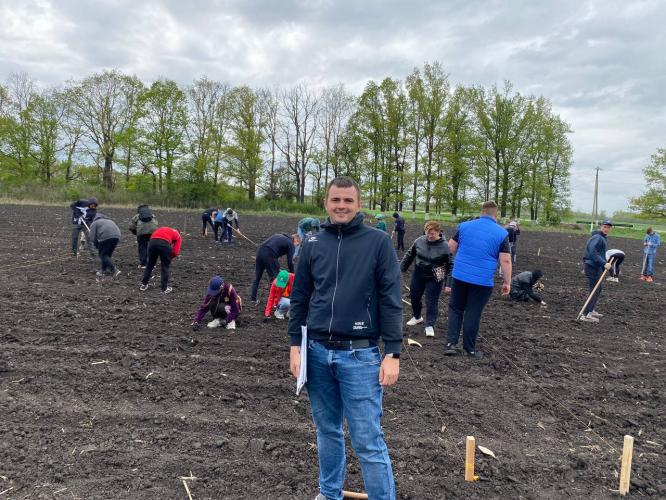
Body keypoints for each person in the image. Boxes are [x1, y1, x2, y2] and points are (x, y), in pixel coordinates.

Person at [288, 176, 402, 500]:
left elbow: (391, 298)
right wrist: (295, 346)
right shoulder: (312, 243)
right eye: (335, 200)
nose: (341, 206)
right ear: (326, 202)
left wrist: (393, 352)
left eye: (348, 201)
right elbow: (300, 297)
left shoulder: (377, 242)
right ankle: (329, 492)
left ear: (359, 204)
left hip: (360, 355)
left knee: (367, 439)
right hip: (318, 353)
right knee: (327, 431)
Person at [445, 201, 511, 359]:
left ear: (482, 212)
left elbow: (450, 248)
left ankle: (451, 344)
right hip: (482, 281)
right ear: (496, 215)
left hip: (460, 276)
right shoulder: (502, 234)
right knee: (473, 313)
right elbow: (506, 260)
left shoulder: (464, 226)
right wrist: (507, 282)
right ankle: (469, 349)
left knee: (456, 309)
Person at [400, 221, 452, 337]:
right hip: (419, 273)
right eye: (427, 233)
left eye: (432, 234)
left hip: (436, 275)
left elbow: (450, 265)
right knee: (414, 296)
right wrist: (400, 269)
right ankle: (417, 316)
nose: (429, 236)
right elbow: (410, 255)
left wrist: (448, 284)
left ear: (438, 232)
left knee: (431, 300)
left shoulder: (445, 246)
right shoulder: (419, 240)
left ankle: (429, 325)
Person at [579, 220, 613, 322]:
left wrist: (603, 266)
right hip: (592, 266)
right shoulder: (598, 238)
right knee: (594, 290)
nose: (606, 229)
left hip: (596, 267)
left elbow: (599, 254)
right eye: (605, 227)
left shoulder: (601, 238)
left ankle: (591, 310)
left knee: (598, 289)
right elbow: (593, 252)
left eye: (608, 227)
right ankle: (585, 315)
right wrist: (604, 263)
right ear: (601, 227)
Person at [249, 233, 297, 304]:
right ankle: (275, 302)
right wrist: (292, 274)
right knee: (276, 279)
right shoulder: (291, 244)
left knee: (257, 278)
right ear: (296, 240)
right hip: (269, 254)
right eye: (297, 244)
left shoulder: (281, 235)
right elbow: (290, 262)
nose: (296, 246)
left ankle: (253, 299)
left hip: (260, 251)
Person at [140, 226, 182, 294]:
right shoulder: (178, 235)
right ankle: (164, 289)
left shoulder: (163, 228)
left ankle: (144, 285)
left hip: (152, 243)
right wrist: (168, 258)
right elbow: (175, 252)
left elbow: (153, 236)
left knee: (150, 265)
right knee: (165, 267)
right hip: (164, 244)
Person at [88, 213, 121, 277]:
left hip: (106, 237)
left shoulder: (95, 223)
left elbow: (92, 237)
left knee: (102, 255)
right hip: (117, 236)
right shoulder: (109, 221)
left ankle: (115, 270)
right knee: (107, 255)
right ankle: (103, 270)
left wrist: (96, 245)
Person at [129, 204, 158, 268]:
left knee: (142, 248)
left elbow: (131, 226)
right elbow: (156, 223)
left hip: (142, 233)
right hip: (153, 232)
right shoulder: (152, 215)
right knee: (152, 248)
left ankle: (143, 264)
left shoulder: (137, 216)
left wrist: (136, 233)